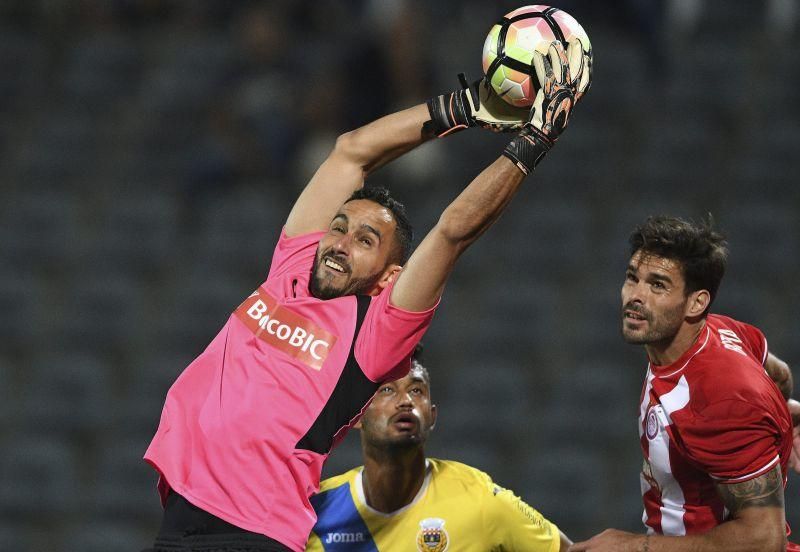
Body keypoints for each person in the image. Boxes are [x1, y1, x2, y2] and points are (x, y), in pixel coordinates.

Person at [143, 38, 592, 552]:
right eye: (338, 227)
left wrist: (533, 141)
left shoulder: (374, 333)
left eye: (365, 241)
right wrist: (466, 107)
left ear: (388, 277)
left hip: (253, 532)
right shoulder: (290, 269)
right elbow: (351, 151)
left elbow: (453, 231)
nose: (340, 243)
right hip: (180, 519)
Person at [570, 215, 800, 552]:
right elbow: (778, 373)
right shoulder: (718, 330)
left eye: (658, 285)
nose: (636, 296)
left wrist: (633, 547)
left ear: (696, 302)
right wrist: (781, 416)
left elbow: (765, 540)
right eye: (633, 278)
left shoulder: (721, 397)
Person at [306, 345, 572, 551]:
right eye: (387, 390)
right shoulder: (315, 512)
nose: (405, 401)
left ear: (432, 416)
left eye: (417, 391)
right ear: (356, 416)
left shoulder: (478, 498)